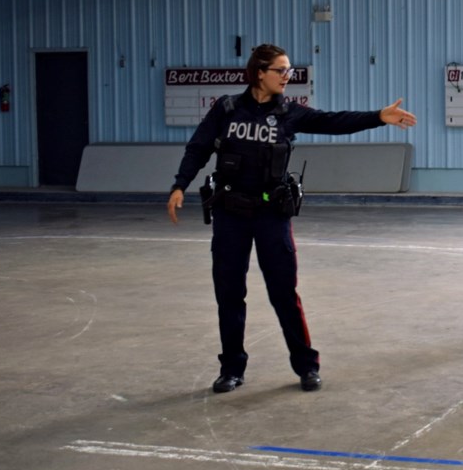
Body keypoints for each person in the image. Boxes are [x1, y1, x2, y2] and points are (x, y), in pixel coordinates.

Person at [167, 43, 417, 394]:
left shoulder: (289, 113)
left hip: (272, 215)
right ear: (259, 73)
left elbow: (333, 121)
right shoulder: (226, 110)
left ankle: (306, 366)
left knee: (284, 294)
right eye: (281, 71)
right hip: (230, 215)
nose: (288, 77)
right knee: (229, 293)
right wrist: (180, 185)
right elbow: (197, 148)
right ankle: (232, 369)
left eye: (289, 71)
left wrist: (378, 116)